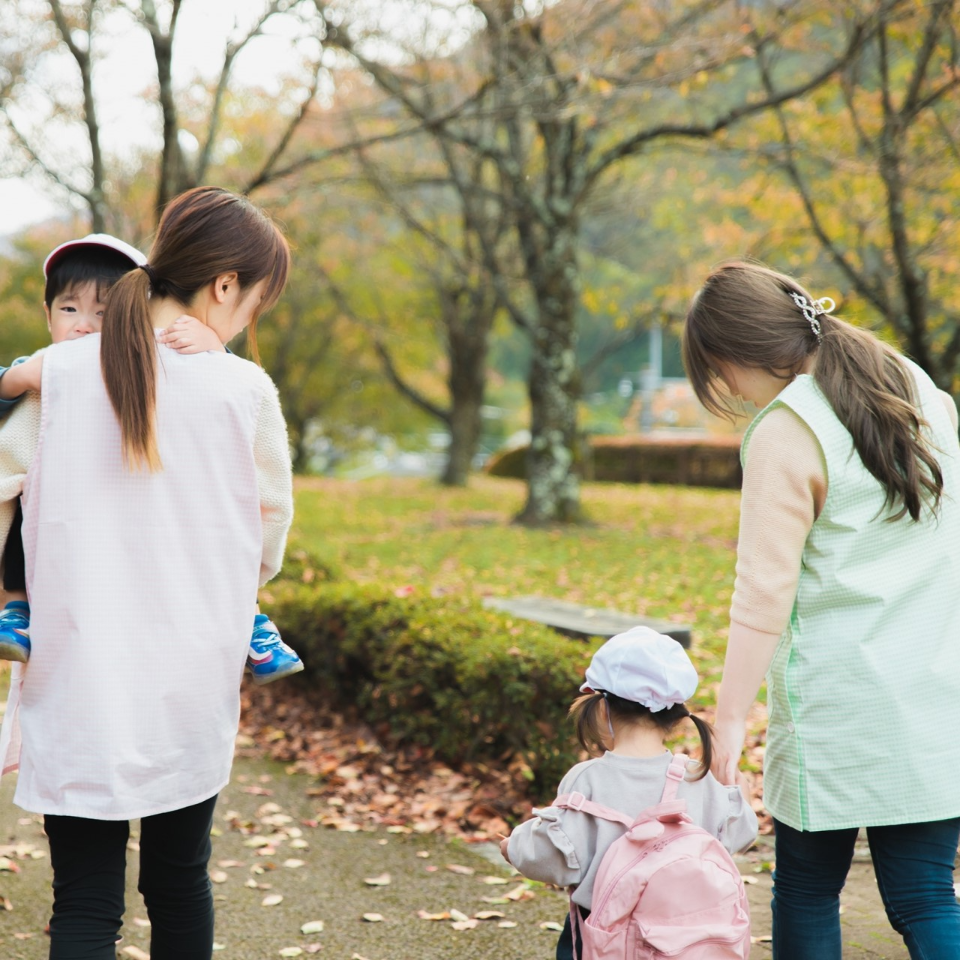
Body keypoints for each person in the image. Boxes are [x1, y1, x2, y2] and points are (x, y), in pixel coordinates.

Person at [0, 186, 294, 960]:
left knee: (86, 901)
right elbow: (268, 538)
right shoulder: (244, 390)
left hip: (78, 675)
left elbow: (2, 489)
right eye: (254, 303)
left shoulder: (57, 374)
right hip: (189, 681)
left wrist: (15, 590)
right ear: (226, 286)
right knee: (178, 882)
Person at [682, 261, 960, 960]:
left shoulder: (787, 428)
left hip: (834, 707)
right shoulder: (918, 389)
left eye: (721, 377)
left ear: (735, 357)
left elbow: (763, 592)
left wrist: (733, 717)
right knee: (926, 895)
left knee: (807, 891)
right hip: (934, 696)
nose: (730, 394)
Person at [0, 233, 303, 685]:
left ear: (127, 311)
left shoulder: (59, 379)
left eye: (102, 312)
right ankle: (16, 605)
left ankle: (252, 617)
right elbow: (270, 510)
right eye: (69, 309)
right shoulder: (40, 370)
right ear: (48, 313)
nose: (83, 325)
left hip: (75, 611)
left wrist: (216, 348)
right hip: (187, 616)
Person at [501, 626, 758, 960]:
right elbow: (739, 832)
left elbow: (555, 858)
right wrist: (744, 798)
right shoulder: (696, 776)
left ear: (602, 708)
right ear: (675, 716)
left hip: (604, 938)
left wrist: (515, 848)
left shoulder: (587, 779)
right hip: (687, 941)